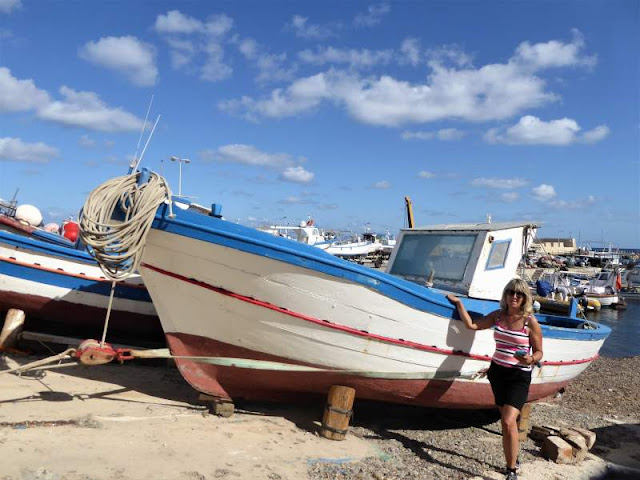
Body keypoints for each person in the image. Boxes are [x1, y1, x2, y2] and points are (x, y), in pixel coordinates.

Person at [447, 278, 543, 480]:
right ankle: (513, 458)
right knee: (506, 423)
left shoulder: (529, 321)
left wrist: (530, 358)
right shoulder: (498, 316)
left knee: (508, 422)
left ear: (525, 297)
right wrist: (459, 304)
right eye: (510, 293)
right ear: (505, 295)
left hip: (519, 376)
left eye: (519, 294)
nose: (514, 297)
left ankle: (511, 471)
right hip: (497, 373)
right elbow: (472, 325)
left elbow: (539, 352)